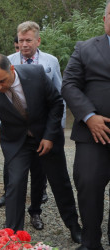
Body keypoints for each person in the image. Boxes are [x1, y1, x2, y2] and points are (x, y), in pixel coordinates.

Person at [0, 53, 81, 242]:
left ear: (11, 69)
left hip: (46, 136)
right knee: (15, 184)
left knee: (60, 182)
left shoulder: (36, 74)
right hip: (17, 142)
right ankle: (12, 235)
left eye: (1, 81)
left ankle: (74, 226)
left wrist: (50, 136)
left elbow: (56, 104)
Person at [0, 22, 64, 225]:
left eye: (28, 40)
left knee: (39, 172)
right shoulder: (7, 61)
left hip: (43, 129)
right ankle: (13, 215)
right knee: (15, 170)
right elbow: (0, 99)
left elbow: (59, 95)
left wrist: (56, 128)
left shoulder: (51, 61)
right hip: (15, 130)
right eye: (21, 40)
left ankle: (35, 211)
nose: (24, 44)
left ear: (37, 40)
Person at [61, 1, 110, 249]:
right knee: (88, 185)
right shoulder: (85, 48)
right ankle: (91, 242)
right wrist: (90, 116)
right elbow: (68, 85)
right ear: (105, 19)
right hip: (94, 135)